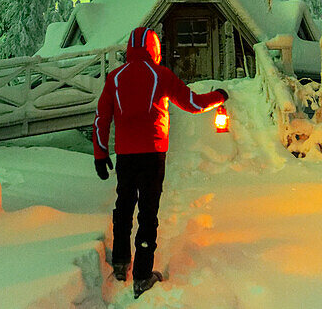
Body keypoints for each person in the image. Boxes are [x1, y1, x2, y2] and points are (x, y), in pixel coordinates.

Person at [93, 25, 228, 298]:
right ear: (153, 47)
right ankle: (142, 276)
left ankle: (120, 262)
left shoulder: (115, 78)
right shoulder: (160, 75)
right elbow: (193, 102)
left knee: (124, 205)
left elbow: (102, 117)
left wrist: (101, 153)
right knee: (148, 213)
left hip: (126, 155)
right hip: (153, 154)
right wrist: (220, 97)